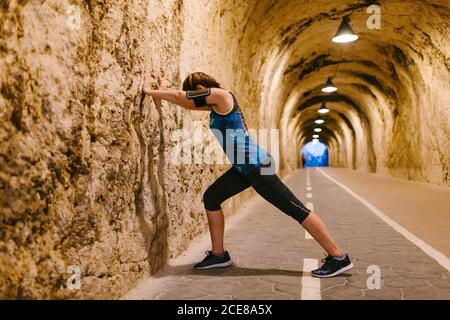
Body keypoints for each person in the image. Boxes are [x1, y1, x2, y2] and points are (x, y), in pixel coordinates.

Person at [142, 71, 353, 278]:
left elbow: (183, 98)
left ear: (200, 89)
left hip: (256, 166)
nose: (195, 97)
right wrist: (161, 92)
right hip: (245, 168)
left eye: (194, 92)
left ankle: (338, 257)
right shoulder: (216, 104)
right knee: (212, 197)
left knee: (296, 209)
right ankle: (219, 255)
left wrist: (150, 91)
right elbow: (185, 102)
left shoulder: (222, 95)